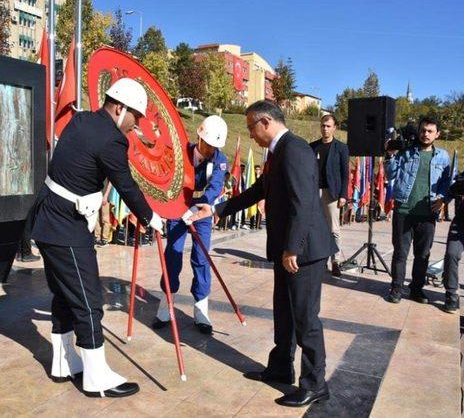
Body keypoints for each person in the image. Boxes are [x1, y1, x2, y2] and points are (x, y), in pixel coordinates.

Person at [190, 100, 336, 407]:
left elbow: (303, 202)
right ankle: (281, 366)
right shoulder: (277, 151)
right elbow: (259, 190)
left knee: (305, 318)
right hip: (288, 248)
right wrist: (216, 209)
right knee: (284, 312)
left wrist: (292, 248)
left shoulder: (294, 149)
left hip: (304, 251)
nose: (251, 135)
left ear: (266, 122)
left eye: (251, 128)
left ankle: (315, 383)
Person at [31, 78, 164, 398]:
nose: (136, 126)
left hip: (49, 221)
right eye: (135, 117)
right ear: (119, 108)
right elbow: (126, 185)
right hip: (66, 228)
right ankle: (96, 376)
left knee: (65, 294)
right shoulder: (110, 139)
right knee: (90, 300)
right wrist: (151, 217)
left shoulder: (82, 120)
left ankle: (64, 362)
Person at [152, 115, 228, 335]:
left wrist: (201, 207)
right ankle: (166, 305)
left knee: (201, 258)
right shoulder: (181, 152)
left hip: (201, 211)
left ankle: (201, 309)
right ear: (200, 138)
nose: (212, 150)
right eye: (209, 145)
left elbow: (215, 186)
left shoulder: (220, 160)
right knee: (173, 253)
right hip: (178, 207)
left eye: (216, 147)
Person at [384, 116, 451, 304]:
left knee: (422, 255)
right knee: (400, 253)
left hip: (427, 213)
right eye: (423, 130)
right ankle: (396, 288)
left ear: (437, 134)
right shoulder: (406, 152)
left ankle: (416, 290)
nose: (426, 134)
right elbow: (390, 174)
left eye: (430, 131)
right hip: (403, 209)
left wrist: (444, 199)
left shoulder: (443, 156)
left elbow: (448, 182)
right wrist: (389, 155)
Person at [309, 114, 349, 277]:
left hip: (332, 193)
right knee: (317, 228)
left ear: (334, 128)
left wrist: (343, 195)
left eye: (328, 126)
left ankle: (336, 261)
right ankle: (320, 260)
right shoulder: (312, 147)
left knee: (333, 229)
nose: (325, 129)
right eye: (323, 126)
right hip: (314, 192)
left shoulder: (341, 148)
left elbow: (345, 173)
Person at [442, 171, 464, 313]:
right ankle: (451, 294)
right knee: (451, 254)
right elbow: (451, 191)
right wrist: (442, 201)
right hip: (460, 224)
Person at [94, 183, 113, 247]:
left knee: (105, 218)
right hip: (96, 195)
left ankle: (105, 239)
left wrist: (106, 195)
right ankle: (97, 237)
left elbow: (110, 183)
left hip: (105, 195)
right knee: (96, 217)